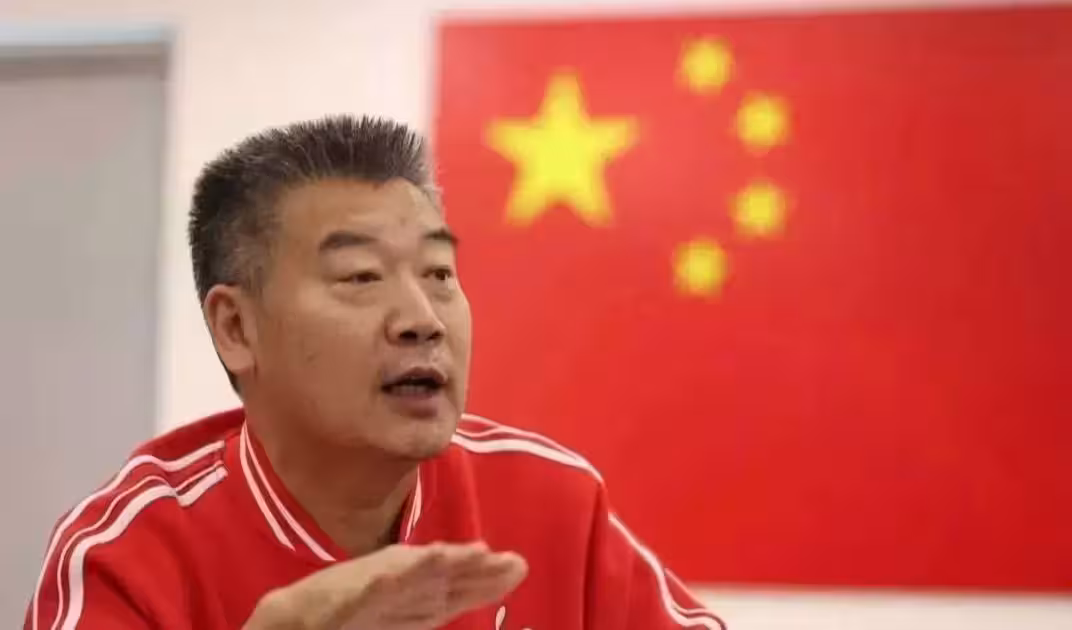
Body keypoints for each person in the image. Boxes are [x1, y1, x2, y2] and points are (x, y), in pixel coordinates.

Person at [26, 115, 726, 630]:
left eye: (439, 273)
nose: (422, 319)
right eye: (360, 276)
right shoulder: (129, 553)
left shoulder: (550, 502)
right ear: (237, 329)